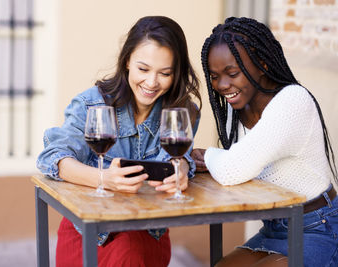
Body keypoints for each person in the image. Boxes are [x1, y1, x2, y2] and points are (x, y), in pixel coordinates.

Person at [37, 16, 202, 267]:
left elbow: (178, 157)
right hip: (89, 234)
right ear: (127, 61)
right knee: (125, 250)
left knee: (130, 250)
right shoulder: (91, 104)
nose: (151, 82)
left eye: (165, 73)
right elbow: (54, 158)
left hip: (147, 234)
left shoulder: (182, 112)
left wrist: (181, 170)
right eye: (143, 69)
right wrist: (104, 178)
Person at [191, 17, 338, 267]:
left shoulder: (292, 101)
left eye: (232, 73)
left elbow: (231, 169)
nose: (223, 85)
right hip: (274, 228)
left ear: (261, 64)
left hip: (316, 227)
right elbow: (236, 169)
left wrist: (209, 156)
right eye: (215, 76)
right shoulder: (238, 108)